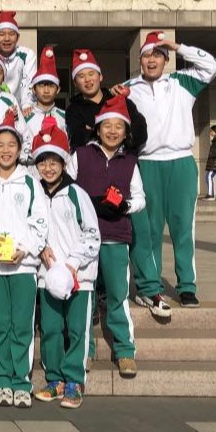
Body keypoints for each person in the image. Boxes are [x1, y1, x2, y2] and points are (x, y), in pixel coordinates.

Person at [122, 31, 216, 310]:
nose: (152, 60)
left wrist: (177, 46)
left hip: (180, 162)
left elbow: (213, 66)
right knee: (149, 231)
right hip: (147, 163)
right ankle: (151, 287)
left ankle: (187, 286)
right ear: (139, 60)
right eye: (147, 55)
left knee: (183, 228)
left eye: (158, 55)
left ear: (166, 60)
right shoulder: (128, 88)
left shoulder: (181, 82)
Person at [0, 111, 50, 408]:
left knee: (21, 325)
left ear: (19, 149)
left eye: (11, 145)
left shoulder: (30, 182)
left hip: (22, 266)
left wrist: (26, 249)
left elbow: (40, 223)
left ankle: (21, 382)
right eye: (0, 145)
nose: (5, 150)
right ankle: (3, 381)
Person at [67, 94, 144, 379]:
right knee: (84, 297)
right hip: (84, 240)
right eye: (107, 126)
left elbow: (140, 198)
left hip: (115, 237)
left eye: (119, 126)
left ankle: (124, 349)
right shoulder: (80, 155)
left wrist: (125, 206)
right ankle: (84, 350)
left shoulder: (130, 161)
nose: (112, 131)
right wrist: (87, 204)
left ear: (126, 132)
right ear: (97, 129)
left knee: (117, 295)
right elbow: (67, 189)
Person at [30, 121, 100, 410]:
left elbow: (92, 234)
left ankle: (74, 380)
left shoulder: (76, 194)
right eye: (42, 162)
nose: (48, 168)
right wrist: (39, 249)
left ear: (63, 162)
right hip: (47, 276)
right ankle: (54, 378)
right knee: (50, 328)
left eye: (54, 162)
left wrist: (72, 263)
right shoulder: (35, 193)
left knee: (77, 329)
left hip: (79, 277)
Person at [65, 49, 147, 152]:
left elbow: (140, 133)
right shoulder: (73, 110)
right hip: (89, 161)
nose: (87, 79)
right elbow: (79, 139)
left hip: (123, 159)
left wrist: (92, 131)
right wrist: (120, 134)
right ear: (75, 83)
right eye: (81, 76)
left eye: (91, 74)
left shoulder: (120, 100)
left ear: (100, 77)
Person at [21, 47, 66, 164]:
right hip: (30, 169)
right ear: (34, 89)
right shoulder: (24, 116)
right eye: (41, 85)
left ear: (58, 89)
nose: (46, 90)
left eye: (51, 85)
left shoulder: (65, 117)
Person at [0, 11, 37, 114]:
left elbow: (28, 81)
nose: (7, 39)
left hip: (24, 110)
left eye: (11, 34)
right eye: (1, 34)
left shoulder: (27, 54)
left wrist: (26, 104)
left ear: (18, 37)